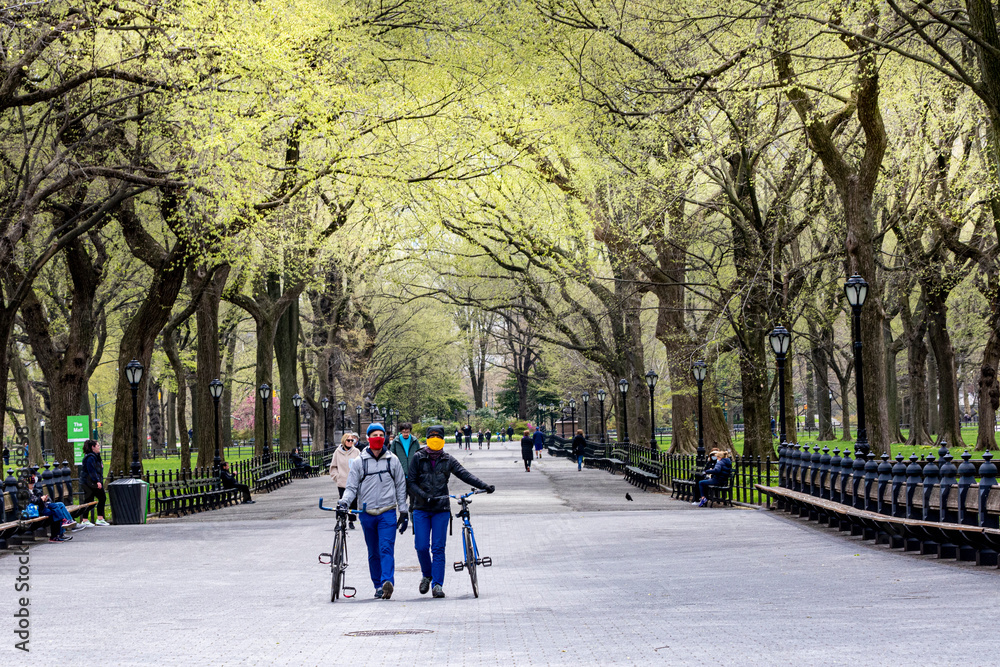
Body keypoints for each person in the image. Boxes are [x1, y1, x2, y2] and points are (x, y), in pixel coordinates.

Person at [407, 425, 494, 599]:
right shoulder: (418, 457)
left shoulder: (447, 459)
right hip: (421, 508)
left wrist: (483, 485)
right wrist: (424, 495)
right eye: (431, 436)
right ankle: (427, 574)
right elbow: (411, 482)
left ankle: (437, 585)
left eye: (438, 436)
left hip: (441, 508)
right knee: (421, 546)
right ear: (427, 439)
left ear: (443, 439)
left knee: (438, 548)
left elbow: (464, 474)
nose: (435, 439)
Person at [339, 423, 408, 600]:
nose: (378, 438)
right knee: (373, 551)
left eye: (381, 435)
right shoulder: (360, 462)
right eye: (374, 435)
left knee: (386, 548)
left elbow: (401, 485)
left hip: (387, 512)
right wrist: (344, 502)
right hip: (367, 513)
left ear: (385, 437)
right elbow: (351, 487)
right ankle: (378, 585)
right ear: (368, 438)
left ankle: (387, 581)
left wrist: (404, 511)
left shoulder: (392, 460)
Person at [330, 432, 361, 529]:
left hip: (354, 481)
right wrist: (336, 476)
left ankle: (351, 520)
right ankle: (340, 519)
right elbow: (333, 466)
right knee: (342, 502)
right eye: (348, 440)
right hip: (342, 481)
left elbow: (361, 465)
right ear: (344, 441)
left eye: (352, 440)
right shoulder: (337, 452)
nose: (350, 442)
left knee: (353, 502)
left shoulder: (356, 452)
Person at [28, 475, 73, 542]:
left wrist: (45, 498)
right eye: (31, 483)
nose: (33, 484)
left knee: (59, 505)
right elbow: (33, 501)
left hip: (44, 506)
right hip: (36, 511)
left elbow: (43, 497)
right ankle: (60, 529)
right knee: (56, 512)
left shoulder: (35, 490)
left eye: (33, 482)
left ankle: (60, 531)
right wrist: (41, 499)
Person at [79, 439, 109, 527]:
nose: (99, 447)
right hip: (90, 482)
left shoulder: (94, 456)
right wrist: (97, 481)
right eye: (98, 445)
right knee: (101, 497)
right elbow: (92, 471)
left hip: (89, 482)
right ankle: (99, 518)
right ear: (93, 447)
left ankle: (86, 520)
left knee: (89, 500)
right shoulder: (90, 458)